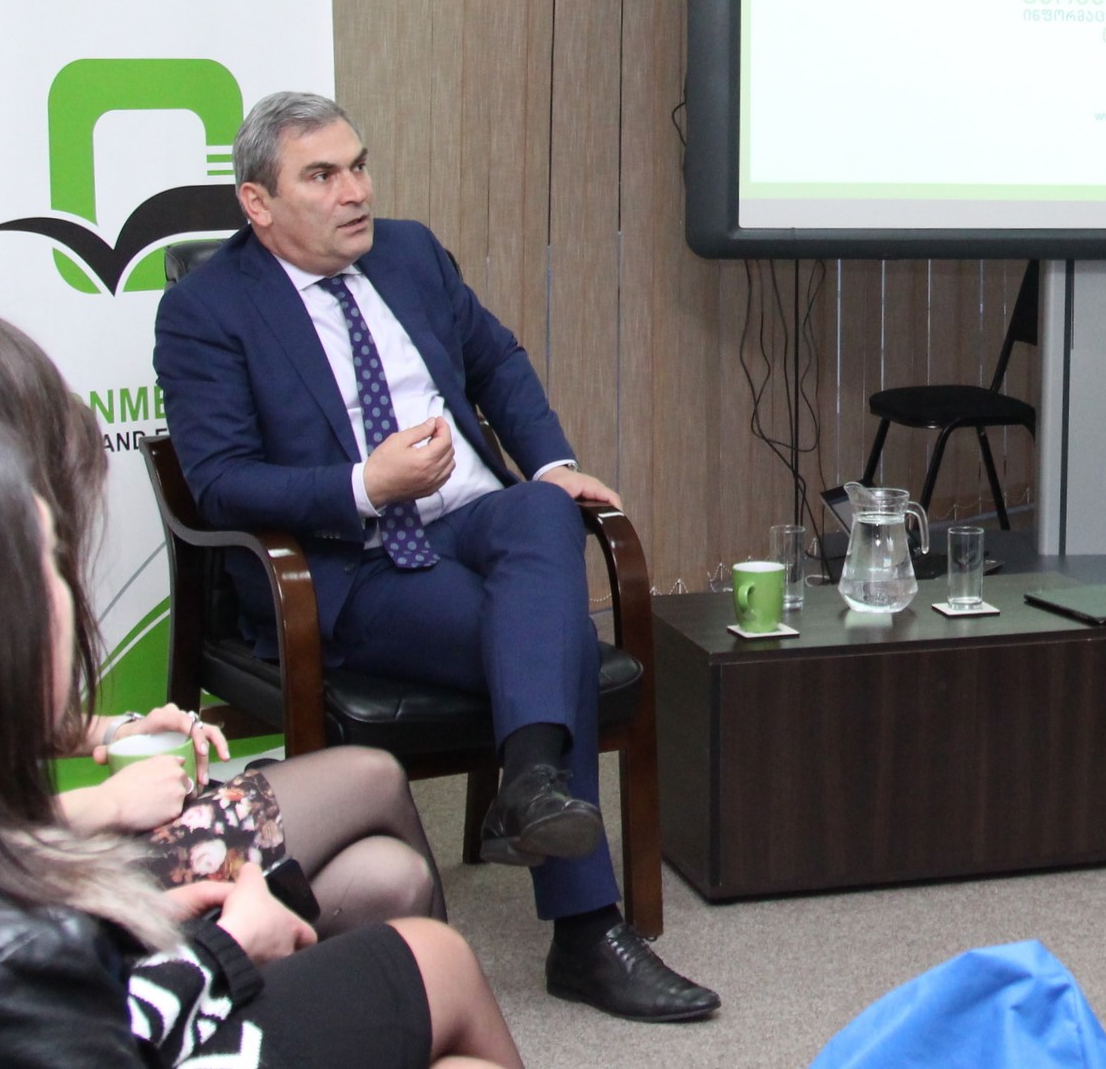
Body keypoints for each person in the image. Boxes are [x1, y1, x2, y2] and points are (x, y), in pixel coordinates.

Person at [153, 90, 717, 1022]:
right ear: (257, 204)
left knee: (541, 509)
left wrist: (554, 464)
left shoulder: (410, 253)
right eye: (321, 176)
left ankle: (527, 787)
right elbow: (218, 481)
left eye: (358, 166)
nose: (355, 192)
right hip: (355, 562)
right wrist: (364, 484)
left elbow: (497, 361)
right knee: (556, 649)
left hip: (471, 517)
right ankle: (585, 930)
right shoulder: (206, 310)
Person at [0, 391, 528, 1068]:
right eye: (47, 558)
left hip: (118, 956)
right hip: (139, 972)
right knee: (419, 918)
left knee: (389, 875)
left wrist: (114, 732)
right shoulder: (7, 945)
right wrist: (218, 948)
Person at [0, 307, 446, 935]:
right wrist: (100, 806)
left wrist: (117, 729)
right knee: (372, 779)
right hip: (23, 900)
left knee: (389, 876)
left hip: (34, 869)